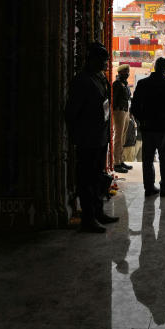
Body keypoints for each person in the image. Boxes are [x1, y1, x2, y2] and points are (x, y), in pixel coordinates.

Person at [65, 42, 120, 233]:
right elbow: (72, 112)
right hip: (87, 138)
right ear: (93, 60)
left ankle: (98, 212)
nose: (106, 64)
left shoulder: (100, 78)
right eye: (103, 60)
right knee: (87, 179)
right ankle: (88, 217)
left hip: (100, 136)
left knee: (97, 177)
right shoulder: (82, 81)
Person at [130, 57, 165, 197]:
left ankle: (149, 187)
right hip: (163, 127)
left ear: (155, 67)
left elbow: (135, 107)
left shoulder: (143, 83)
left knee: (147, 158)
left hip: (148, 127)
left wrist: (143, 120)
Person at [112, 64, 133, 174]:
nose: (127, 73)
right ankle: (116, 163)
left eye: (128, 71)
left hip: (125, 110)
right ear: (120, 72)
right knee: (118, 137)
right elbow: (114, 99)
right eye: (125, 71)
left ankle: (121, 160)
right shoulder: (116, 84)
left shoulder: (125, 84)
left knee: (123, 137)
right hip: (119, 111)